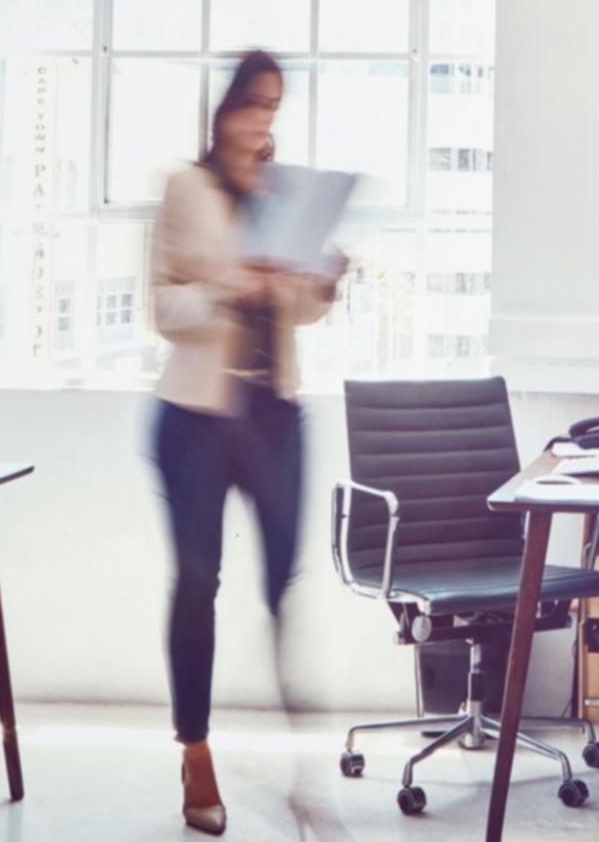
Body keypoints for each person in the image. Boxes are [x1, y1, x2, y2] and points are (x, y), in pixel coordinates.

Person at [149, 49, 348, 835]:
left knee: (283, 586)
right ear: (226, 108)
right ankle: (194, 751)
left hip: (273, 414)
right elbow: (162, 308)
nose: (264, 117)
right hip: (195, 417)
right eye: (254, 101)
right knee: (199, 580)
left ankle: (306, 767)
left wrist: (322, 279)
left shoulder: (284, 191)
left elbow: (297, 309)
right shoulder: (186, 188)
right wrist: (231, 287)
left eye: (274, 104)